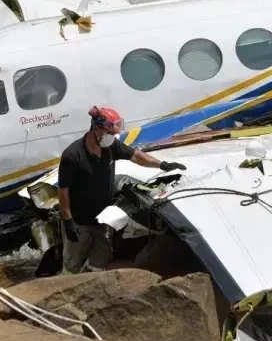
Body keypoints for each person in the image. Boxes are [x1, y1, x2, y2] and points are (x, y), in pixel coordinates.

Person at [58, 106, 186, 274]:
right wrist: (68, 221)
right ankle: (66, 286)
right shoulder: (73, 155)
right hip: (79, 221)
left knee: (101, 258)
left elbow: (136, 156)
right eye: (110, 133)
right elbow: (63, 191)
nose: (113, 138)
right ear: (97, 128)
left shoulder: (110, 147)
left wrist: (162, 165)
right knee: (72, 262)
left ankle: (89, 281)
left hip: (102, 218)